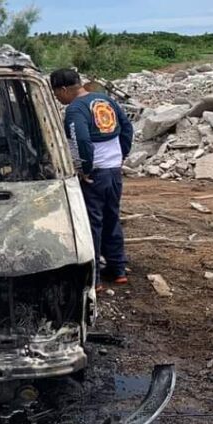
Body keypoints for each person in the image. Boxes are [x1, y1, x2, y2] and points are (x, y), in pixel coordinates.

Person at [50, 69, 134, 288]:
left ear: (65, 89)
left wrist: (84, 169)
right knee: (111, 217)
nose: (58, 98)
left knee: (91, 224)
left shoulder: (75, 110)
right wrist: (121, 156)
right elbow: (127, 128)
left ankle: (93, 277)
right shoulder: (105, 100)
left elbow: (82, 142)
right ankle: (118, 269)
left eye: (57, 93)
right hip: (113, 171)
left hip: (95, 174)